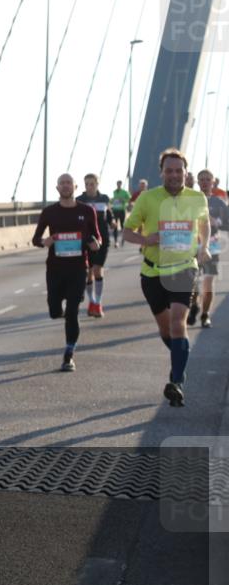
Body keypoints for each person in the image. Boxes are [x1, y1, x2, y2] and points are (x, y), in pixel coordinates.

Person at [123, 148, 210, 407]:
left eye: (179, 170)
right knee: (166, 330)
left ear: (186, 172)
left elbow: (203, 223)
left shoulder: (197, 198)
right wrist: (145, 239)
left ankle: (176, 382)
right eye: (169, 171)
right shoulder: (148, 199)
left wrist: (203, 245)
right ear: (162, 172)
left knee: (177, 324)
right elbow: (128, 231)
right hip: (152, 272)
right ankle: (181, 358)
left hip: (184, 268)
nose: (174, 175)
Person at [32, 174, 101, 371]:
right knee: (55, 311)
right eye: (62, 183)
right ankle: (59, 311)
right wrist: (44, 242)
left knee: (72, 313)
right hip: (55, 268)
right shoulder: (49, 212)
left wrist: (95, 244)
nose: (65, 186)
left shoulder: (87, 211)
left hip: (79, 269)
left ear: (75, 186)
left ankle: (69, 354)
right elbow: (35, 239)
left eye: (68, 182)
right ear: (57, 188)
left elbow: (98, 239)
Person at [194, 169, 229, 327]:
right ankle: (194, 305)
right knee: (191, 284)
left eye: (208, 179)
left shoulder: (219, 203)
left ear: (213, 182)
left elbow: (227, 223)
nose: (205, 182)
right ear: (197, 181)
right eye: (201, 179)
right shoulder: (189, 200)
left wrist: (219, 222)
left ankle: (205, 314)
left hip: (212, 248)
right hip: (191, 248)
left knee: (208, 282)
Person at [77, 174, 115, 317]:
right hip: (85, 240)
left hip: (102, 240)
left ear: (97, 184)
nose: (89, 186)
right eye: (87, 184)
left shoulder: (104, 198)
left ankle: (97, 303)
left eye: (92, 183)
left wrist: (112, 222)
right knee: (88, 273)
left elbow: (108, 214)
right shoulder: (79, 201)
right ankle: (91, 301)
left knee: (97, 270)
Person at [111, 180, 131, 246]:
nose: (118, 185)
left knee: (122, 225)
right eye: (117, 184)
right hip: (115, 210)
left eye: (119, 184)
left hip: (122, 210)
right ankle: (116, 241)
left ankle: (123, 239)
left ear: (121, 184)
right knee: (115, 226)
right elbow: (113, 200)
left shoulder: (124, 192)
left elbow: (129, 199)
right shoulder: (114, 192)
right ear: (116, 184)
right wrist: (111, 201)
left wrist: (123, 200)